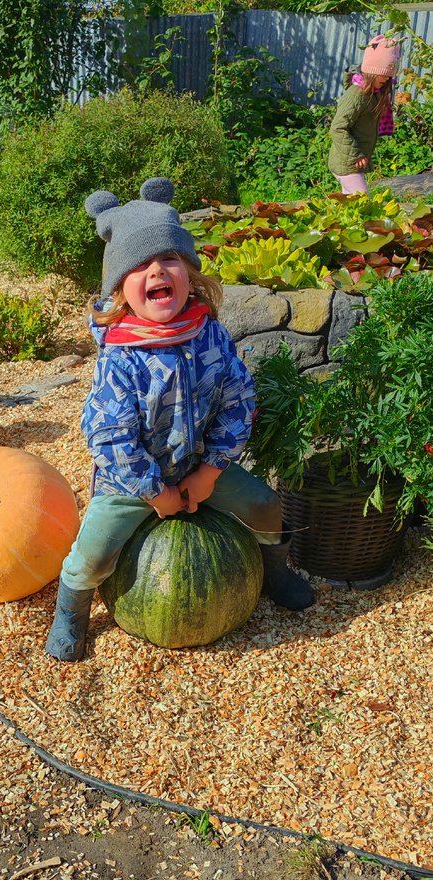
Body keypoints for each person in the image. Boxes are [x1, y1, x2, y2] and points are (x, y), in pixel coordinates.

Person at [45, 177, 315, 663]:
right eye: (140, 264)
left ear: (189, 274)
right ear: (121, 288)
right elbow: (110, 436)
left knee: (265, 504)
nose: (156, 269)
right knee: (93, 554)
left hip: (198, 465)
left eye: (169, 258)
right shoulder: (120, 357)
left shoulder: (208, 334)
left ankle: (276, 570)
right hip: (131, 483)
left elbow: (238, 398)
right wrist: (155, 491)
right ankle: (71, 613)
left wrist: (210, 471)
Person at [328, 34, 400, 196]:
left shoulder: (372, 93)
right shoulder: (357, 95)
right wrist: (356, 154)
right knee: (364, 203)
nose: (387, 77)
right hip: (347, 162)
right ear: (371, 71)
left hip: (352, 162)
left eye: (389, 74)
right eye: (383, 73)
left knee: (350, 207)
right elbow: (338, 127)